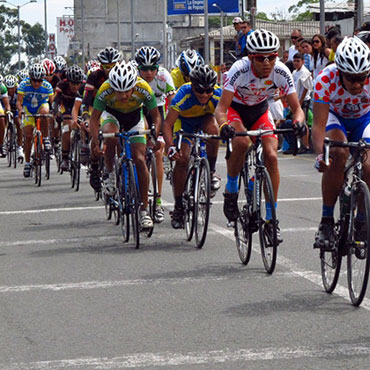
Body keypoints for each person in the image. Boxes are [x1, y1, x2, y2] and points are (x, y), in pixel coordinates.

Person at [215, 29, 305, 242]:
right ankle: (232, 188)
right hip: (236, 110)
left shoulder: (281, 72)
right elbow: (221, 109)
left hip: (260, 111)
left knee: (272, 157)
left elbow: (298, 109)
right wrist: (224, 125)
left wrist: (299, 122)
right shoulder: (238, 70)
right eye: (260, 58)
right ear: (250, 57)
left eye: (272, 57)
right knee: (241, 141)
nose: (267, 63)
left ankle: (271, 220)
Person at [312, 37, 370, 248]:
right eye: (351, 78)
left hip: (365, 119)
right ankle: (326, 221)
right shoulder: (325, 80)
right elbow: (318, 127)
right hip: (335, 118)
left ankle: (363, 219)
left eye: (362, 78)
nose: (357, 84)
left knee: (369, 164)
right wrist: (321, 155)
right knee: (337, 153)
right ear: (340, 73)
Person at [89, 61, 161, 230]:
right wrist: (97, 140)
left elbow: (156, 117)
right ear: (112, 86)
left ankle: (144, 211)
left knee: (140, 159)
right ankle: (110, 172)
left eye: (127, 90)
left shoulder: (143, 87)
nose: (123, 95)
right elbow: (93, 120)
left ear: (134, 86)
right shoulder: (105, 89)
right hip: (111, 115)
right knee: (111, 136)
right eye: (119, 91)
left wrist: (154, 134)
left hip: (135, 117)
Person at [163, 65, 222, 229]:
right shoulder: (184, 93)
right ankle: (179, 207)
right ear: (192, 86)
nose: (204, 95)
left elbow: (227, 117)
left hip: (205, 119)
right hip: (185, 123)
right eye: (200, 90)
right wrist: (170, 147)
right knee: (182, 159)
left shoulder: (218, 94)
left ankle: (211, 170)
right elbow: (167, 124)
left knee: (214, 131)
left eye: (208, 90)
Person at [135, 46, 176, 223]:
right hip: (138, 110)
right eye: (145, 69)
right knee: (140, 151)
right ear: (138, 68)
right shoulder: (133, 77)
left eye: (153, 68)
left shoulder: (164, 76)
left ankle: (158, 202)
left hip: (157, 112)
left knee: (159, 153)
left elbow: (174, 104)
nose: (149, 73)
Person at [82, 46, 121, 190]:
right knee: (97, 134)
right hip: (97, 107)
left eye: (112, 66)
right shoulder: (94, 76)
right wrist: (86, 117)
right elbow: (86, 100)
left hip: (116, 108)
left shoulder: (122, 74)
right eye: (106, 66)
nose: (109, 69)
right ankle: (94, 166)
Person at [16, 64, 54, 178]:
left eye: (39, 81)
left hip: (41, 107)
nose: (37, 84)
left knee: (45, 112)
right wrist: (20, 110)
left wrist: (55, 113)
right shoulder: (23, 85)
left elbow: (53, 102)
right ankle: (27, 163)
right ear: (30, 78)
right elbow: (19, 101)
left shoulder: (47, 86)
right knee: (28, 137)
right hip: (28, 110)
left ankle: (46, 138)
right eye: (34, 81)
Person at [53, 65, 85, 171]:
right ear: (68, 81)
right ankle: (65, 158)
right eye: (73, 83)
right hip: (65, 106)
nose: (75, 86)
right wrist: (55, 111)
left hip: (78, 106)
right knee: (67, 126)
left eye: (78, 83)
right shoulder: (62, 85)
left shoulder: (84, 86)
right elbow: (56, 100)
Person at [281, 53, 312, 154]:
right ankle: (295, 145)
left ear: (303, 61)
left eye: (298, 61)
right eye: (294, 61)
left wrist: (300, 101)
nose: (296, 63)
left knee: (303, 123)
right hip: (295, 100)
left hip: (303, 100)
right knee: (293, 123)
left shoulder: (305, 72)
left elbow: (306, 88)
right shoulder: (294, 72)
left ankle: (306, 145)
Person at [3, 74, 23, 160]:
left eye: (12, 88)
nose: (10, 90)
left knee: (19, 123)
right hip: (5, 108)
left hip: (15, 109)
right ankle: (4, 141)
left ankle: (19, 147)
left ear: (16, 86)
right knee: (3, 120)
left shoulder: (19, 91)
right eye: (8, 88)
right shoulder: (3, 92)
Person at [0, 75, 12, 157]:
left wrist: (8, 111)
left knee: (2, 117)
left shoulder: (2, 87)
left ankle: (1, 144)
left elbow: (6, 104)